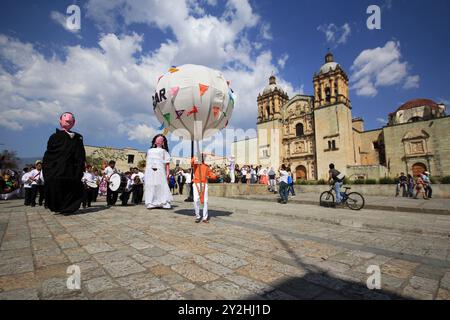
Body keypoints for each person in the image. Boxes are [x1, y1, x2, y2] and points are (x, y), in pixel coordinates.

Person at [43, 112, 86, 215]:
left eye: (71, 121)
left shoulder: (77, 138)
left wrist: (80, 166)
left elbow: (81, 154)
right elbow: (50, 153)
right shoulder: (55, 137)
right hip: (57, 169)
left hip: (72, 170)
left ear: (74, 123)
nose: (68, 122)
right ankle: (58, 206)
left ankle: (68, 207)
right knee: (56, 187)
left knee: (73, 188)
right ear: (60, 121)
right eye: (66, 120)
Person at [144, 134, 173, 209]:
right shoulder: (149, 151)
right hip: (149, 171)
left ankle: (164, 202)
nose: (159, 141)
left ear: (163, 142)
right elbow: (147, 162)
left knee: (161, 185)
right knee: (150, 186)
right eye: (157, 139)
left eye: (161, 139)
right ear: (154, 141)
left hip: (160, 171)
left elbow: (167, 164)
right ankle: (150, 202)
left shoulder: (164, 151)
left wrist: (168, 174)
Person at [191, 154, 217, 223]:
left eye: (203, 157)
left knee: (205, 201)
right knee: (195, 200)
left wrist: (216, 175)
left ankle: (205, 218)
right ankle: (198, 216)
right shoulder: (195, 164)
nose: (202, 158)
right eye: (201, 157)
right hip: (196, 183)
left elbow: (211, 175)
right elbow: (192, 161)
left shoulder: (206, 166)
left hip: (204, 184)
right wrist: (196, 156)